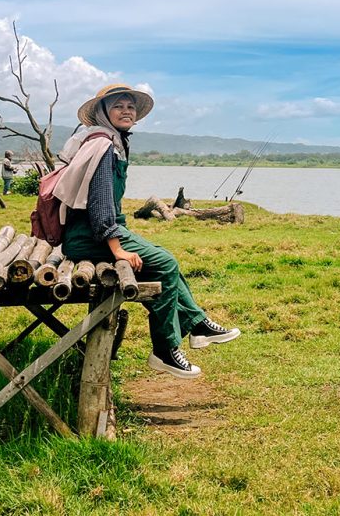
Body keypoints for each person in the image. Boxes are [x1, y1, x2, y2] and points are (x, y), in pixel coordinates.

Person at [56, 83, 239, 379]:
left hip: (95, 232)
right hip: (88, 236)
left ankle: (197, 325)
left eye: (130, 106)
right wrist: (118, 249)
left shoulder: (110, 141)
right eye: (118, 106)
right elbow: (100, 204)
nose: (126, 111)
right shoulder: (103, 146)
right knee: (165, 264)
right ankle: (165, 350)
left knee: (162, 257)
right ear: (103, 112)